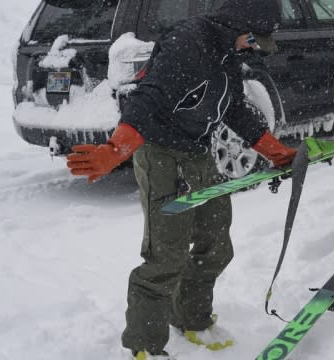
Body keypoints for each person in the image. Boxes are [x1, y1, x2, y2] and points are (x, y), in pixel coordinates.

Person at [66, 0, 296, 359]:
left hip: (198, 152)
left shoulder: (227, 52)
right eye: (254, 39)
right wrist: (115, 150)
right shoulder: (188, 41)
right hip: (161, 155)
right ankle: (144, 345)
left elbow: (233, 105)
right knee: (165, 257)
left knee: (216, 243)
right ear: (240, 26)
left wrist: (274, 149)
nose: (255, 47)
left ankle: (191, 317)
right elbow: (148, 100)